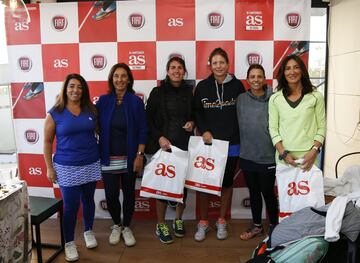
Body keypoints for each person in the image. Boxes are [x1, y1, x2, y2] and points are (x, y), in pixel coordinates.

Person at [44, 73, 101, 262]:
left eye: (79, 87)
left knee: (89, 200)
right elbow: (46, 141)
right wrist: (49, 168)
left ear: (83, 90)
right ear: (65, 89)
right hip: (66, 166)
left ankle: (88, 231)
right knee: (70, 207)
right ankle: (69, 242)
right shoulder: (55, 113)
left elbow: (99, 133)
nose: (75, 90)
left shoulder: (91, 109)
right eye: (71, 86)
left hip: (91, 162)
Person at [193, 47, 245, 241]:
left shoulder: (238, 86)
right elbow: (197, 111)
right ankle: (204, 222)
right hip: (209, 145)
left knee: (227, 183)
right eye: (215, 63)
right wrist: (204, 130)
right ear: (210, 65)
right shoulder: (203, 87)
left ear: (228, 64)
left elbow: (243, 112)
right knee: (206, 184)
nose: (218, 66)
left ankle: (222, 220)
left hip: (232, 143)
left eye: (222, 62)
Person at [96, 63, 147, 247]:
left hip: (130, 157)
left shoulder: (136, 101)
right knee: (110, 195)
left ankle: (126, 227)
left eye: (123, 76)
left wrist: (139, 155)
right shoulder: (102, 101)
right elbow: (92, 125)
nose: (120, 79)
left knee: (129, 194)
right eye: (116, 76)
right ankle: (116, 224)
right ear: (111, 79)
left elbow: (143, 130)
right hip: (108, 157)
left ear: (129, 79)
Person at [145, 56, 194, 244]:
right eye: (173, 67)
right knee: (161, 188)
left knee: (182, 186)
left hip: (183, 147)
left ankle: (178, 220)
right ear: (167, 71)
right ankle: (161, 224)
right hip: (163, 148)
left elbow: (194, 114)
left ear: (184, 72)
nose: (176, 71)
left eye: (180, 68)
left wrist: (192, 123)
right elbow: (148, 119)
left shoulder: (189, 92)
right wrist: (159, 137)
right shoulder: (157, 92)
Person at [236, 64, 278, 240]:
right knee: (253, 192)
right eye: (252, 77)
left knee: (267, 192)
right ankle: (257, 226)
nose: (255, 80)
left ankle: (275, 228)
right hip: (247, 155)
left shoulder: (274, 99)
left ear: (264, 79)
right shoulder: (240, 99)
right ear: (247, 80)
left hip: (268, 156)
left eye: (259, 76)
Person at [269, 54, 326, 170]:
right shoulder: (275, 98)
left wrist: (314, 151)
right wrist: (283, 153)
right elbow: (273, 128)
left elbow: (322, 127)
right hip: (285, 155)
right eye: (288, 68)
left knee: (310, 188)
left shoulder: (316, 97)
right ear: (283, 73)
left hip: (309, 156)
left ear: (302, 70)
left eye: (296, 67)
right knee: (286, 189)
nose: (292, 72)